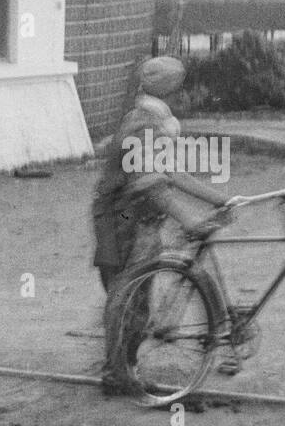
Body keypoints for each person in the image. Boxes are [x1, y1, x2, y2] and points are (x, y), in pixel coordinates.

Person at [92, 55, 235, 392]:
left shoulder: (153, 120)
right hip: (121, 214)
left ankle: (125, 365)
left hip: (137, 211)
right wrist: (190, 219)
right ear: (170, 90)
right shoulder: (145, 125)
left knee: (139, 292)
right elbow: (149, 186)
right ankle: (116, 373)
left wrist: (217, 199)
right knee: (127, 292)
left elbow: (171, 172)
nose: (185, 96)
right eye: (181, 88)